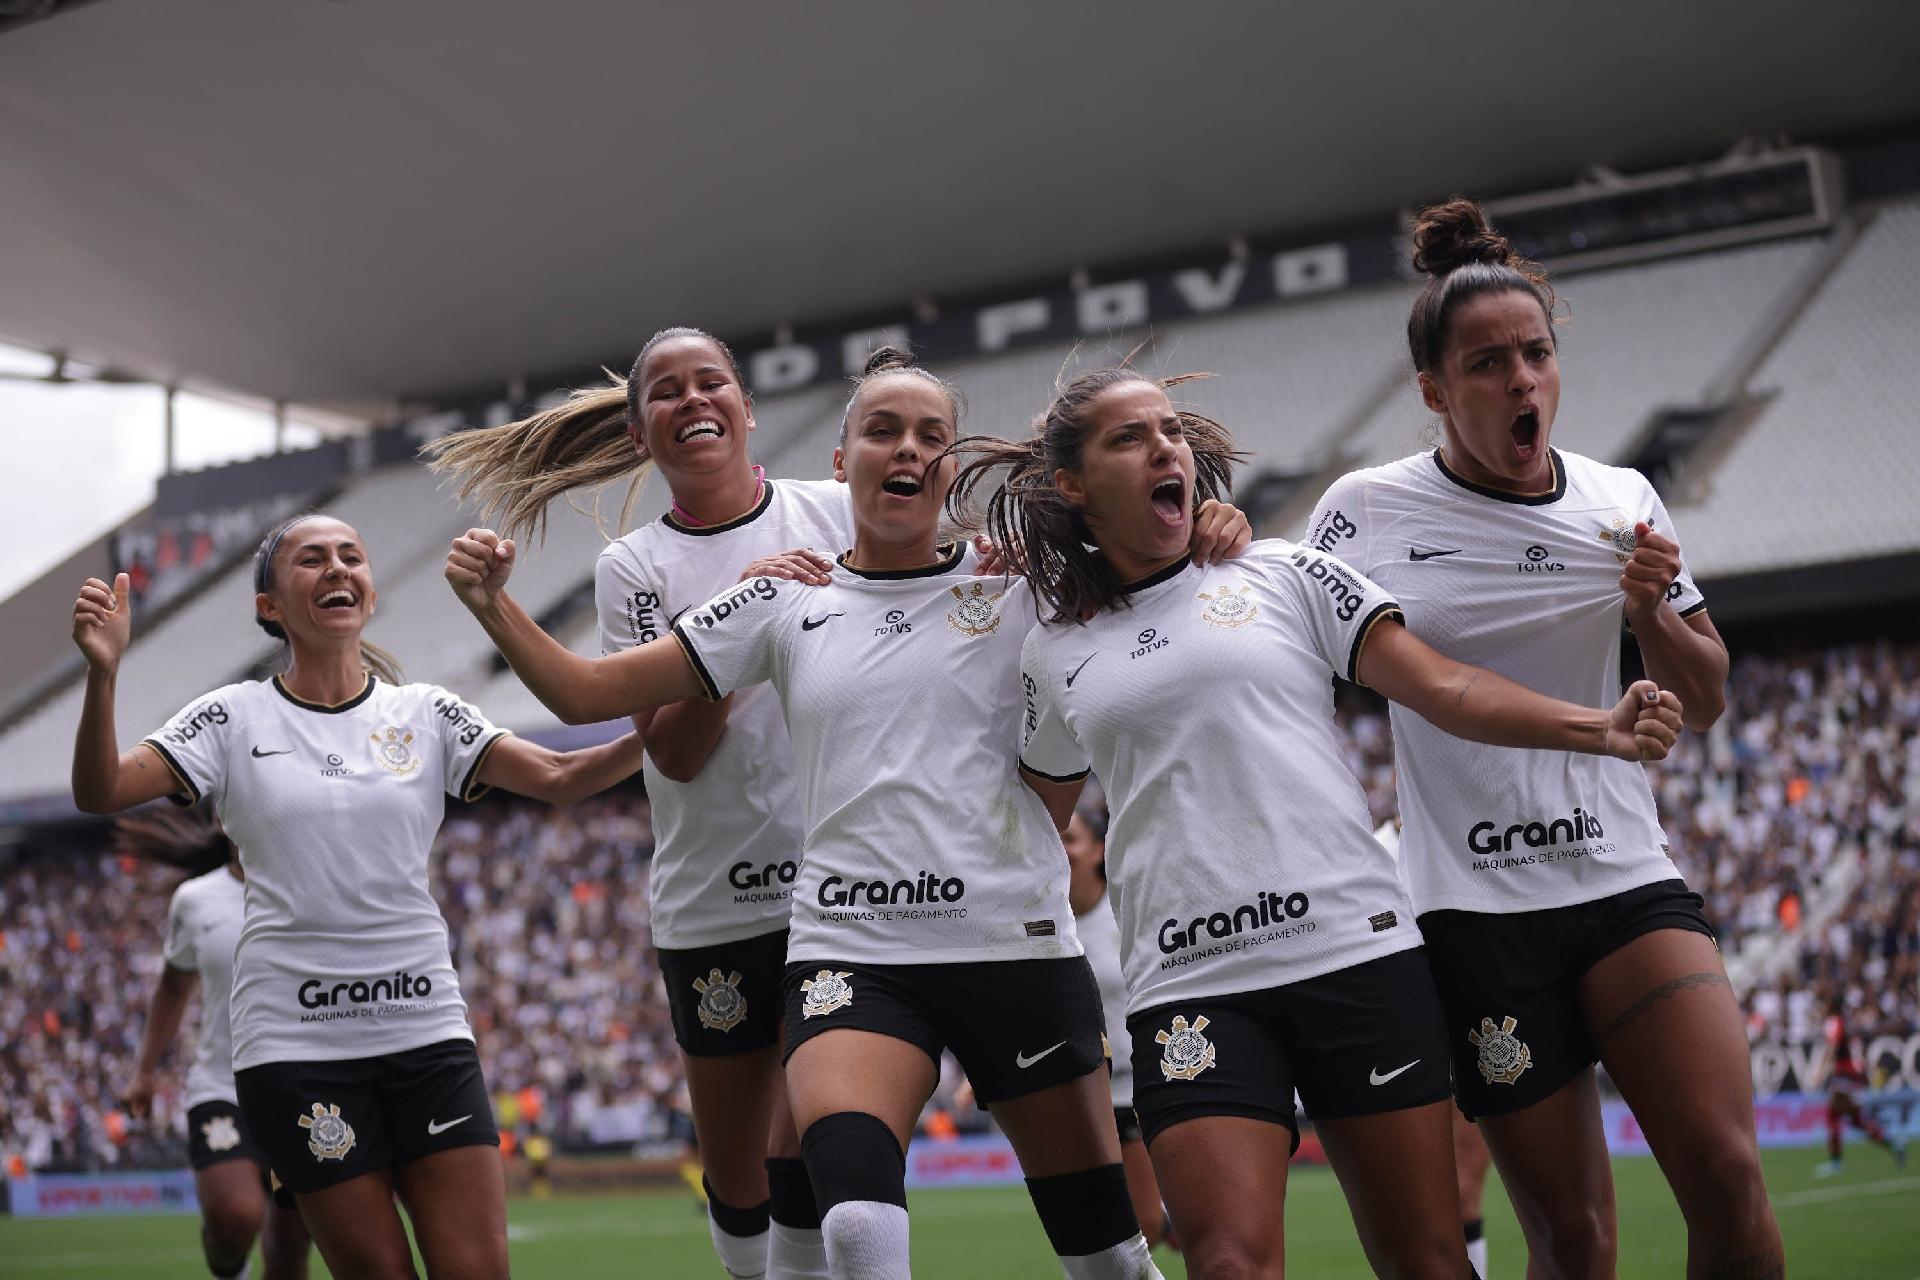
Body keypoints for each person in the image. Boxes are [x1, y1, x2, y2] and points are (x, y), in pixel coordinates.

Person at [444, 348, 1250, 1279]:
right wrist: (492, 604)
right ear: (840, 462)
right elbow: (588, 694)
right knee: (856, 1233)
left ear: (950, 469)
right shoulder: (782, 595)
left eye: (930, 437)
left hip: (1014, 946)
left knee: (1110, 1257)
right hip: (854, 951)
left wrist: (1209, 527)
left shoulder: (1023, 586)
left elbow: (1151, 562)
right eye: (882, 431)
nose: (906, 450)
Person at [955, 363, 1683, 1279]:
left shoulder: (1286, 572)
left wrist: (1600, 727)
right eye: (1128, 438)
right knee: (1226, 1264)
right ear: (1071, 483)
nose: (1164, 448)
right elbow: (1032, 825)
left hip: (1357, 954)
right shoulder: (1051, 647)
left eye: (1171, 431)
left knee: (1427, 1261)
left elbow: (1444, 687)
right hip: (1191, 984)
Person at [1304, 196, 1781, 1278]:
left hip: (1623, 879)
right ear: (1433, 392)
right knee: (1574, 1235)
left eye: (1536, 354)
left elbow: (1704, 697)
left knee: (1732, 1177)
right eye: (1486, 364)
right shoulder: (1365, 510)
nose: (1522, 380)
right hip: (1474, 911)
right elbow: (1282, 638)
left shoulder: (1622, 499)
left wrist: (1653, 612)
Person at [71, 513, 649, 1280]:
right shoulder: (230, 717)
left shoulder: (426, 714)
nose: (337, 569)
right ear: (270, 605)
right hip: (298, 1051)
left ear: (371, 592)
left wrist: (684, 708)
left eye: (352, 556)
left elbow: (560, 776)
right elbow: (101, 788)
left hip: (427, 1036)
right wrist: (103, 671)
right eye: (311, 560)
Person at [427, 326, 856, 1279]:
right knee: (739, 1175)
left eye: (713, 382)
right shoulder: (636, 567)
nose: (694, 400)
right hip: (715, 901)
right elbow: (679, 751)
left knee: (816, 1141)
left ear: (747, 407)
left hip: (840, 894)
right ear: (638, 432)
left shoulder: (836, 512)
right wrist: (736, 621)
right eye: (666, 391)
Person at [119, 807, 313, 1280]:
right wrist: (144, 1071)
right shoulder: (196, 899)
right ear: (224, 822)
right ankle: (228, 1264)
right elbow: (172, 985)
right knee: (236, 1217)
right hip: (222, 1085)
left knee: (289, 1246)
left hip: (305, 1091)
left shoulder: (312, 887)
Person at [1377, 818, 1496, 1278]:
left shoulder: (1466, 835)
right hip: (1401, 1040)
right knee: (1407, 1210)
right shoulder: (1376, 852)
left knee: (1464, 1190)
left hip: (1467, 1025)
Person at [1063, 804, 1171, 1253]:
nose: (1062, 848)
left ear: (1098, 850)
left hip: (1140, 1089)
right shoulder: (1045, 919)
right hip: (1079, 1097)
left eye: (1072, 838)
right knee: (1100, 1231)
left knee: (1142, 1227)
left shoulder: (1127, 908)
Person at [1815, 1005, 1906, 1177]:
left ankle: (1836, 1163)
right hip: (1855, 1077)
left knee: (1833, 1116)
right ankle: (1894, 1144)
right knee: (1857, 1121)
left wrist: (1821, 1071)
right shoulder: (1846, 1023)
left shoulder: (1834, 1021)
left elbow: (1833, 1046)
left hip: (1845, 1077)